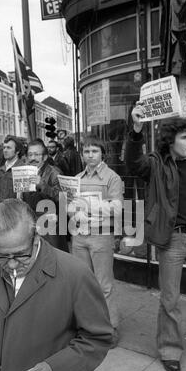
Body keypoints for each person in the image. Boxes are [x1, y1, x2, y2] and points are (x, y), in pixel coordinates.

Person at [0, 199, 113, 371]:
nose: (12, 265)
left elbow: (97, 338)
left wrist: (54, 370)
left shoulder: (76, 274)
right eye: (2, 255)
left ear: (36, 237)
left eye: (21, 254)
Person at [125, 102, 186, 371]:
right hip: (173, 240)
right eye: (185, 137)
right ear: (171, 141)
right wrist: (136, 129)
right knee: (170, 299)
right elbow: (133, 163)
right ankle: (170, 350)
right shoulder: (156, 164)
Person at [69, 137, 123, 344]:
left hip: (101, 235)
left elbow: (117, 207)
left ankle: (111, 328)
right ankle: (88, 327)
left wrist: (88, 206)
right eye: (86, 151)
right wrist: (75, 213)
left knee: (104, 284)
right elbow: (69, 206)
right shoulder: (76, 178)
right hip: (80, 235)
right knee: (82, 283)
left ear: (102, 153)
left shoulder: (112, 178)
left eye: (94, 151)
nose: (90, 155)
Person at [23, 139, 68, 252]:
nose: (33, 158)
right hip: (31, 224)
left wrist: (41, 184)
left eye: (37, 154)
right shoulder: (24, 173)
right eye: (30, 154)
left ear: (45, 157)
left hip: (50, 227)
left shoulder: (54, 172)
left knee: (51, 260)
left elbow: (62, 198)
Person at [0, 135, 26, 201]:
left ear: (17, 151)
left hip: (16, 209)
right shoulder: (0, 170)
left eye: (9, 148)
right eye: (4, 147)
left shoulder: (23, 169)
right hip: (1, 208)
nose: (5, 150)